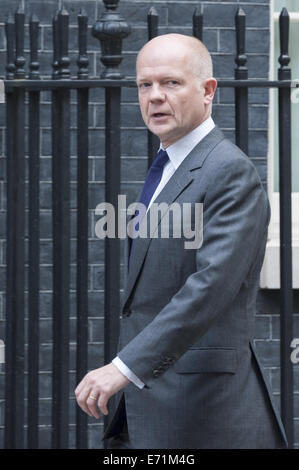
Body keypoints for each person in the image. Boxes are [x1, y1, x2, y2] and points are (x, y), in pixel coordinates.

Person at [75, 34, 288, 449]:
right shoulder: (170, 165)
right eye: (144, 85)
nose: (154, 97)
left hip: (203, 410)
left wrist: (125, 366)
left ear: (208, 91)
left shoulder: (229, 171)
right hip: (152, 404)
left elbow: (210, 287)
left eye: (170, 83)